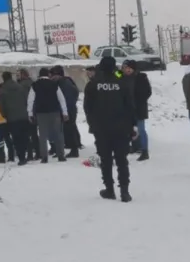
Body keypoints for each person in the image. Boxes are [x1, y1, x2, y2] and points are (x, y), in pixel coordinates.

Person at [83, 56, 137, 202]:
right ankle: (124, 191)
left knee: (105, 160)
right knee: (122, 160)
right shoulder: (122, 83)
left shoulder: (93, 85)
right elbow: (130, 107)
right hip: (121, 128)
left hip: (101, 129)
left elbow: (87, 108)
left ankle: (109, 189)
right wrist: (132, 127)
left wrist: (92, 125)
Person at [27, 67, 68, 163]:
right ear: (48, 74)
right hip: (55, 112)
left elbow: (30, 100)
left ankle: (44, 157)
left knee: (43, 135)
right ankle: (61, 155)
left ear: (39, 75)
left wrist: (30, 113)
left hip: (41, 113)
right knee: (58, 133)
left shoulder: (35, 85)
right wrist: (65, 112)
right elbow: (61, 99)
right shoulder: (54, 84)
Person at [0, 70, 30, 166]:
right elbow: (26, 99)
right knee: (24, 136)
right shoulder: (20, 87)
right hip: (24, 115)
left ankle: (21, 157)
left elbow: (1, 105)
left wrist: (4, 115)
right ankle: (26, 154)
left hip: (12, 118)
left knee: (16, 138)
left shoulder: (2, 90)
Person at [121, 60, 152, 161]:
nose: (127, 70)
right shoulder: (122, 76)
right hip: (127, 109)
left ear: (133, 69)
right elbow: (114, 74)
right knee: (129, 129)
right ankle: (135, 146)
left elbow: (148, 92)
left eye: (129, 68)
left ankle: (144, 151)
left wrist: (139, 101)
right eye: (125, 68)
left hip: (138, 108)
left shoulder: (141, 77)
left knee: (141, 130)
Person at [50, 65, 82, 158]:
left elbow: (68, 98)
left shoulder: (65, 84)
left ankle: (74, 150)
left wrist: (65, 111)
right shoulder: (64, 82)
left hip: (68, 110)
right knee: (67, 129)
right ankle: (72, 148)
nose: (51, 78)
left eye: (53, 76)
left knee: (69, 130)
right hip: (67, 110)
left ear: (58, 75)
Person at [17, 68, 39, 160]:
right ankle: (38, 152)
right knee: (34, 133)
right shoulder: (32, 83)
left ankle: (30, 153)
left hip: (26, 112)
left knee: (27, 134)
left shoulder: (22, 85)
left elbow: (23, 99)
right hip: (34, 111)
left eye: (18, 75)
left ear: (23, 75)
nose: (17, 76)